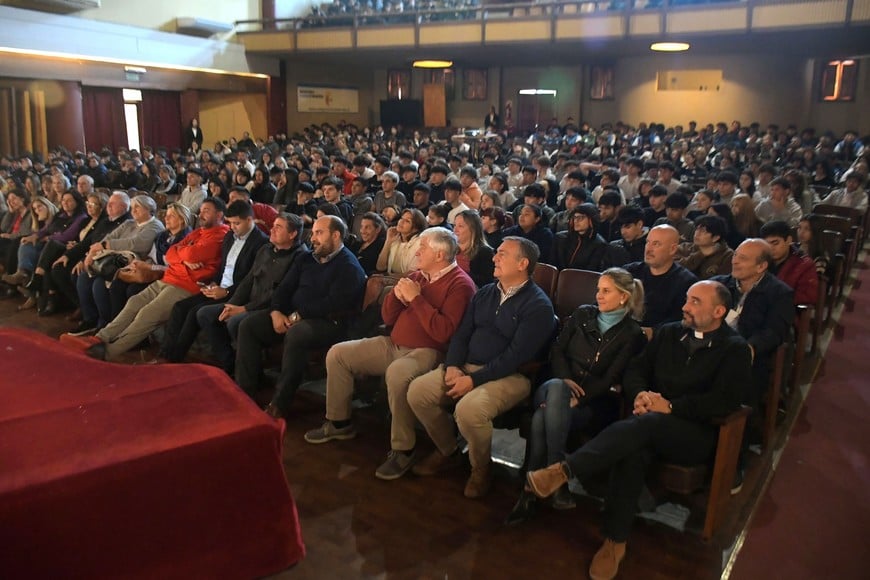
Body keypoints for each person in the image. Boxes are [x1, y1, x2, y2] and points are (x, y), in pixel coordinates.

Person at [524, 280, 751, 580]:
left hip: (694, 432)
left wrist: (669, 407)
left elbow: (724, 401)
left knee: (642, 427)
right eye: (686, 299)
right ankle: (614, 541)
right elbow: (636, 370)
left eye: (695, 302)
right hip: (648, 420)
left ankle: (565, 470)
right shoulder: (670, 333)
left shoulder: (734, 349)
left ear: (719, 311)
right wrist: (642, 393)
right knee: (634, 447)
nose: (685, 306)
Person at [304, 227, 477, 480]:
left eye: (423, 248)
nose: (417, 252)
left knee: (398, 373)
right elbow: (388, 317)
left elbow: (444, 333)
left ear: (440, 255)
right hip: (393, 343)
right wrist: (396, 296)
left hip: (428, 351)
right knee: (338, 353)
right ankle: (339, 423)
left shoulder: (461, 285)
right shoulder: (418, 275)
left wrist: (416, 300)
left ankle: (403, 449)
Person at [407, 237, 556, 498]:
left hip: (511, 376)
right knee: (418, 392)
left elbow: (514, 357)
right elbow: (462, 334)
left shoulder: (538, 305)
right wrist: (453, 366)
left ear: (522, 264)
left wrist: (474, 381)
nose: (494, 258)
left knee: (469, 410)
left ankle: (481, 469)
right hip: (466, 366)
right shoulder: (486, 292)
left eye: (502, 254)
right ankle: (449, 451)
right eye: (496, 253)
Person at [506, 268, 647, 524]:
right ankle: (557, 478)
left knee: (541, 418)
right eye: (598, 290)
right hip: (552, 385)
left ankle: (530, 491)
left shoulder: (632, 334)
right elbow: (557, 349)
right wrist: (565, 380)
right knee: (558, 389)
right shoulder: (583, 313)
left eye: (606, 291)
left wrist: (579, 398)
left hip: (592, 401)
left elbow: (610, 378)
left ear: (624, 297)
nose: (599, 296)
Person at [60, 197, 230, 361]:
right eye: (200, 211)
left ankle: (108, 352)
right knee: (134, 301)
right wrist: (183, 259)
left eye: (206, 211)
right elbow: (171, 253)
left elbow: (192, 254)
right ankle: (99, 338)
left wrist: (182, 255)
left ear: (220, 215)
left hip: (186, 285)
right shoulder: (198, 232)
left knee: (147, 314)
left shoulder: (221, 235)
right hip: (169, 278)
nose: (201, 214)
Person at [234, 216, 366, 418]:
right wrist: (276, 311)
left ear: (336, 235)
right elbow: (284, 288)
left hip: (330, 322)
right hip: (292, 316)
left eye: (319, 233)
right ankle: (245, 391)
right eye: (312, 233)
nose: (312, 238)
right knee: (249, 325)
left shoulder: (348, 266)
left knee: (298, 333)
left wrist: (299, 315)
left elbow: (334, 303)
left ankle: (280, 404)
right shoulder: (306, 258)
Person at [156, 200, 269, 363]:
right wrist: (213, 283)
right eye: (230, 223)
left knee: (197, 312)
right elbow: (223, 267)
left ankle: (221, 362)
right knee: (180, 307)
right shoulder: (230, 236)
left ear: (249, 220)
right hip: (220, 287)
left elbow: (251, 280)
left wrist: (226, 291)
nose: (232, 227)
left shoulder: (261, 243)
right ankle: (167, 354)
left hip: (238, 293)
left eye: (237, 223)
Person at [711, 239, 794, 459]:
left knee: (740, 383)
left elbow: (774, 332)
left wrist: (748, 348)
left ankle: (735, 455)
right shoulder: (719, 286)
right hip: (712, 349)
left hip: (752, 356)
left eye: (743, 258)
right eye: (736, 254)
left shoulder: (779, 293)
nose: (735, 261)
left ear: (761, 266)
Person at [196, 213, 307, 374]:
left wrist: (243, 309)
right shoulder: (265, 249)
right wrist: (232, 304)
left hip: (270, 308)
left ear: (292, 234)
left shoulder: (299, 257)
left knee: (236, 322)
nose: (272, 230)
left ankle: (250, 368)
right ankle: (230, 363)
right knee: (205, 313)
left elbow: (278, 293)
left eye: (278, 227)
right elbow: (248, 280)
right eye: (273, 225)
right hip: (249, 302)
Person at [70, 194, 165, 333]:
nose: (134, 210)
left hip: (133, 265)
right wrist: (92, 252)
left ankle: (105, 324)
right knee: (84, 277)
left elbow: (137, 244)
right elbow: (109, 237)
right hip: (113, 261)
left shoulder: (155, 225)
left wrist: (106, 245)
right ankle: (90, 319)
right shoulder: (129, 223)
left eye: (138, 207)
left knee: (99, 284)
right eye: (132, 207)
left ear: (149, 209)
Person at [624, 225, 698, 330]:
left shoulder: (686, 282)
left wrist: (651, 332)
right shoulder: (630, 271)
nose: (648, 249)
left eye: (656, 244)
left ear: (672, 249)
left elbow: (679, 321)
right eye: (647, 242)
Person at [761, 220, 819, 306]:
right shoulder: (760, 259)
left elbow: (808, 296)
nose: (771, 248)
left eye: (775, 243)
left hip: (783, 312)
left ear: (788, 240)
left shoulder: (804, 265)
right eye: (767, 244)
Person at [551, 204, 609, 271]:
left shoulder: (600, 244)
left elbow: (591, 272)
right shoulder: (560, 238)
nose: (576, 221)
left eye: (581, 217)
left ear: (591, 220)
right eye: (575, 217)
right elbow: (552, 266)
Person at [679, 215, 734, 280]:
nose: (697, 233)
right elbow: (677, 270)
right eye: (697, 229)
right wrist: (700, 254)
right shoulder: (685, 247)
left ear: (715, 237)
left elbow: (722, 280)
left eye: (703, 231)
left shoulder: (727, 255)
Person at [376, 208, 426, 276]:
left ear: (416, 228)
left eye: (407, 221)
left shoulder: (419, 243)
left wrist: (388, 277)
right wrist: (388, 241)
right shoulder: (395, 238)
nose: (401, 222)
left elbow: (413, 274)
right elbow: (380, 267)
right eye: (401, 218)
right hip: (392, 278)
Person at [453, 210, 494, 288]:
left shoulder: (485, 252)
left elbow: (486, 283)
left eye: (460, 226)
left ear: (473, 229)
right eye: (454, 225)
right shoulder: (450, 249)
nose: (455, 230)